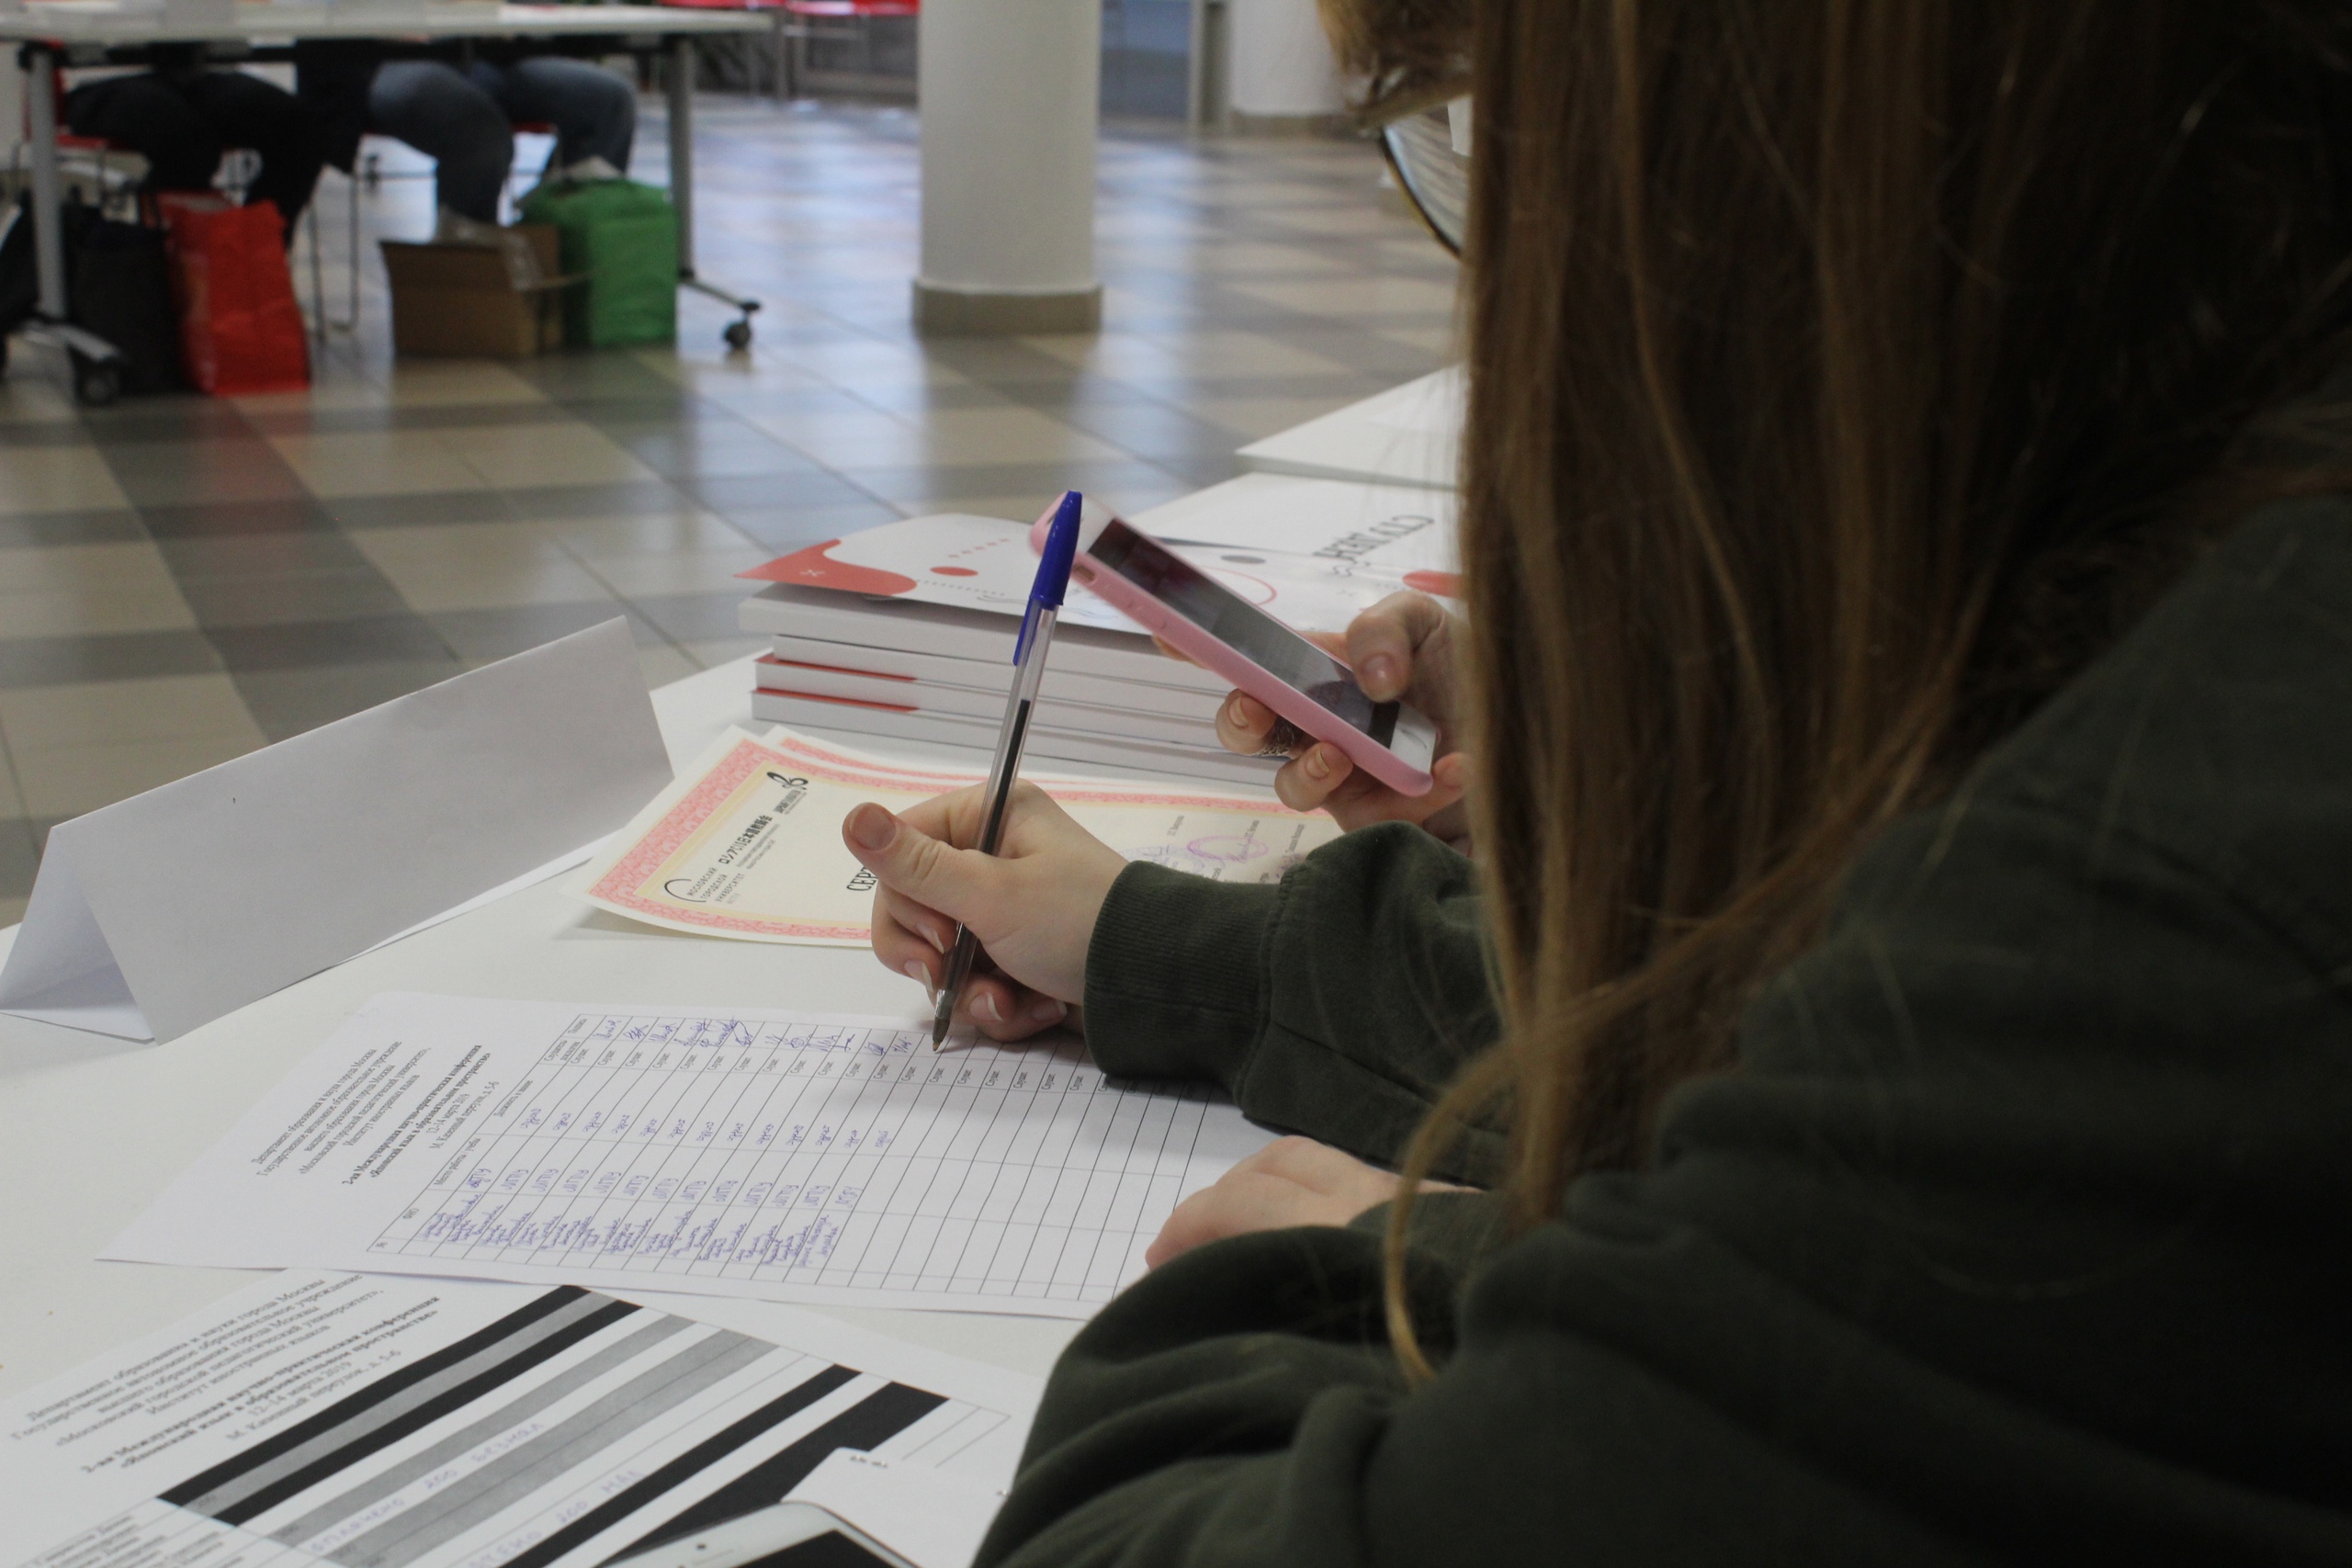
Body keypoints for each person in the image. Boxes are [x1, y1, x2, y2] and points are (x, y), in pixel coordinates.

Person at [840, 0, 2352, 1562]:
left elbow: (1105, 1534)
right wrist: (1152, 941)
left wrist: (1408, 1268)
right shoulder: (2227, 609)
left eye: (1488, 126)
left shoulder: (2165, 883)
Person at [296, 48, 637, 225]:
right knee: (478, 132)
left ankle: (555, 243)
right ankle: (470, 277)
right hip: (382, 57)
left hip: (483, 51)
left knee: (609, 101)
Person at [64, 64, 325, 238]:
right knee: (187, 144)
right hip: (102, 78)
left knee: (301, 128)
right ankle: (160, 266)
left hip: (195, 71)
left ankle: (256, 256)